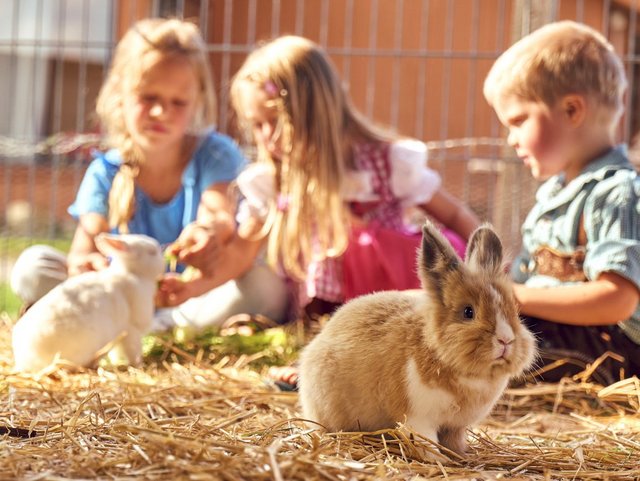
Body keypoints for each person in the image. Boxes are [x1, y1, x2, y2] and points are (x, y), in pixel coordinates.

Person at [159, 35, 480, 387]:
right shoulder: (276, 180)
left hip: (391, 296)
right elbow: (240, 252)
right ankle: (325, 365)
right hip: (326, 314)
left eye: (275, 121)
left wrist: (488, 271)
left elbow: (454, 216)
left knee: (354, 239)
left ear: (314, 111)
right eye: (258, 125)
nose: (267, 137)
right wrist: (192, 288)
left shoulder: (386, 162)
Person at [11, 18, 289, 331]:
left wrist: (207, 234)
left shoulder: (215, 155)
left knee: (266, 289)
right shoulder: (106, 171)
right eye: (149, 98)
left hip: (189, 297)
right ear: (121, 94)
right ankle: (140, 323)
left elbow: (218, 215)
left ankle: (146, 327)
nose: (161, 112)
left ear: (196, 102)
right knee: (33, 267)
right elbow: (83, 248)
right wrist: (84, 266)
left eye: (177, 102)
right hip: (119, 294)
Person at [483, 20, 640, 385]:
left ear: (572, 111)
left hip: (610, 353)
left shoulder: (614, 193)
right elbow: (522, 281)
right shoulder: (551, 197)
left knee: (501, 344)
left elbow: (618, 300)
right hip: (558, 334)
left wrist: (515, 296)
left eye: (519, 121)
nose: (511, 139)